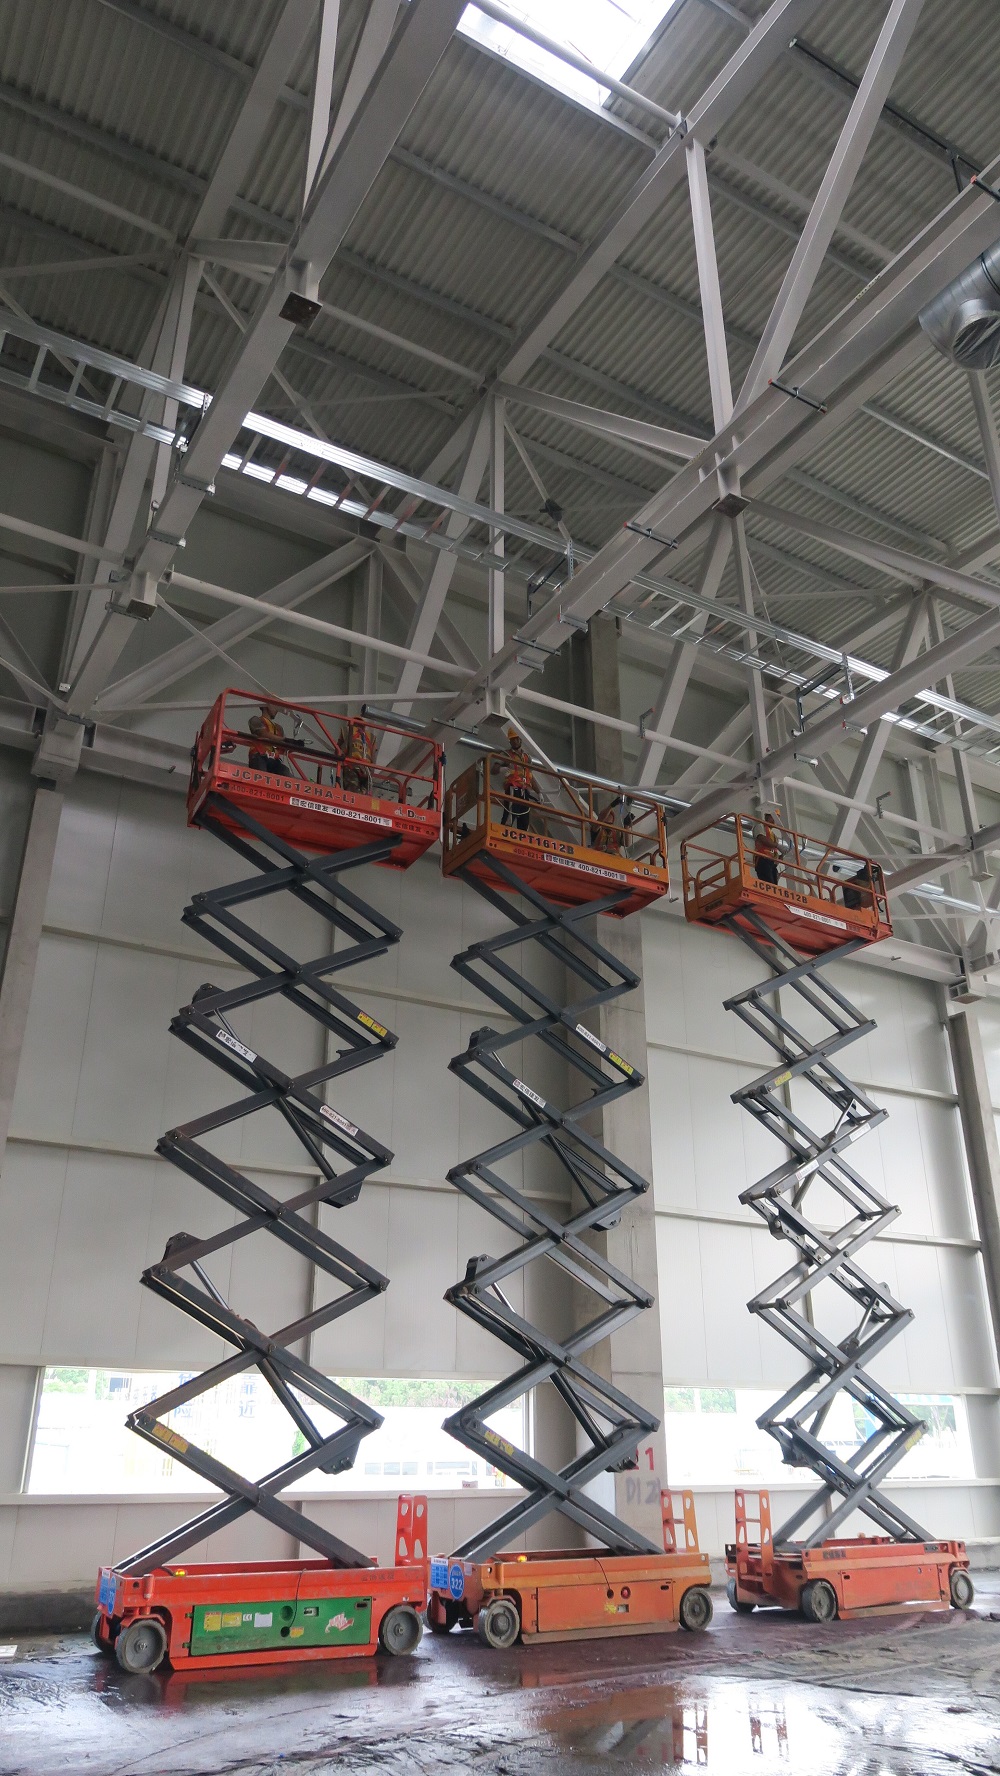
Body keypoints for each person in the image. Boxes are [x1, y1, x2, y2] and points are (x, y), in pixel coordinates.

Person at [499, 729, 535, 832]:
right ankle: (503, 834)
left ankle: (523, 838)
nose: (514, 741)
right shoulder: (506, 754)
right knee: (510, 815)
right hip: (513, 788)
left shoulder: (527, 758)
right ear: (509, 741)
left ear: (520, 740)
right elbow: (494, 768)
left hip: (525, 791)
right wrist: (501, 768)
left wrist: (539, 792)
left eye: (516, 739)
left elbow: (530, 777)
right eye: (512, 739)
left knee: (524, 820)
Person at [247, 702, 291, 775]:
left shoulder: (279, 728)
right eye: (274, 706)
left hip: (275, 759)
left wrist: (293, 744)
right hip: (259, 755)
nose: (277, 710)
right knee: (261, 774)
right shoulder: (255, 720)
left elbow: (282, 746)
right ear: (266, 705)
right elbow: (263, 733)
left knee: (285, 772)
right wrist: (284, 740)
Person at [340, 715, 376, 793]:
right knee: (365, 796)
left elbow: (339, 752)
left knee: (352, 794)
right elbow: (373, 757)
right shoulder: (371, 737)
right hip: (367, 770)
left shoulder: (347, 731)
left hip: (351, 767)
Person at [753, 812, 781, 886]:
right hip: (763, 859)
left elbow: (774, 852)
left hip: (772, 863)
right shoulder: (760, 826)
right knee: (769, 883)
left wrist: (781, 857)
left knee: (774, 885)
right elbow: (762, 838)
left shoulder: (774, 836)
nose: (775, 820)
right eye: (773, 817)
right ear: (767, 817)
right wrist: (777, 845)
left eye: (777, 818)